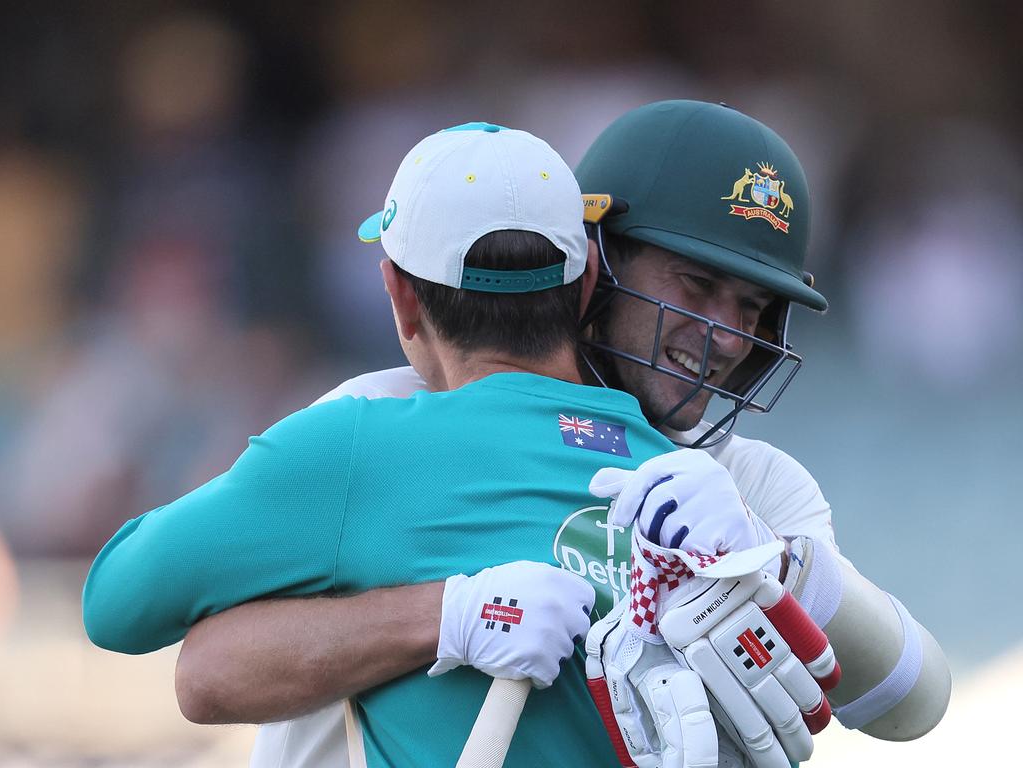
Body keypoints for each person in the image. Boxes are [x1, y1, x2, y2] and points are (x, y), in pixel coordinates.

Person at [127, 104, 951, 766]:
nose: (727, 336)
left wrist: (772, 564)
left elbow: (917, 704)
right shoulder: (384, 416)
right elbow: (207, 672)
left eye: (752, 310)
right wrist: (444, 616)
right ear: (596, 261)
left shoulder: (752, 487)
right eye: (696, 287)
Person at [84, 122, 740, 765]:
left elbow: (116, 602)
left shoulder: (355, 442)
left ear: (400, 295)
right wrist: (451, 614)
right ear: (589, 281)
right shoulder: (692, 483)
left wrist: (448, 616)